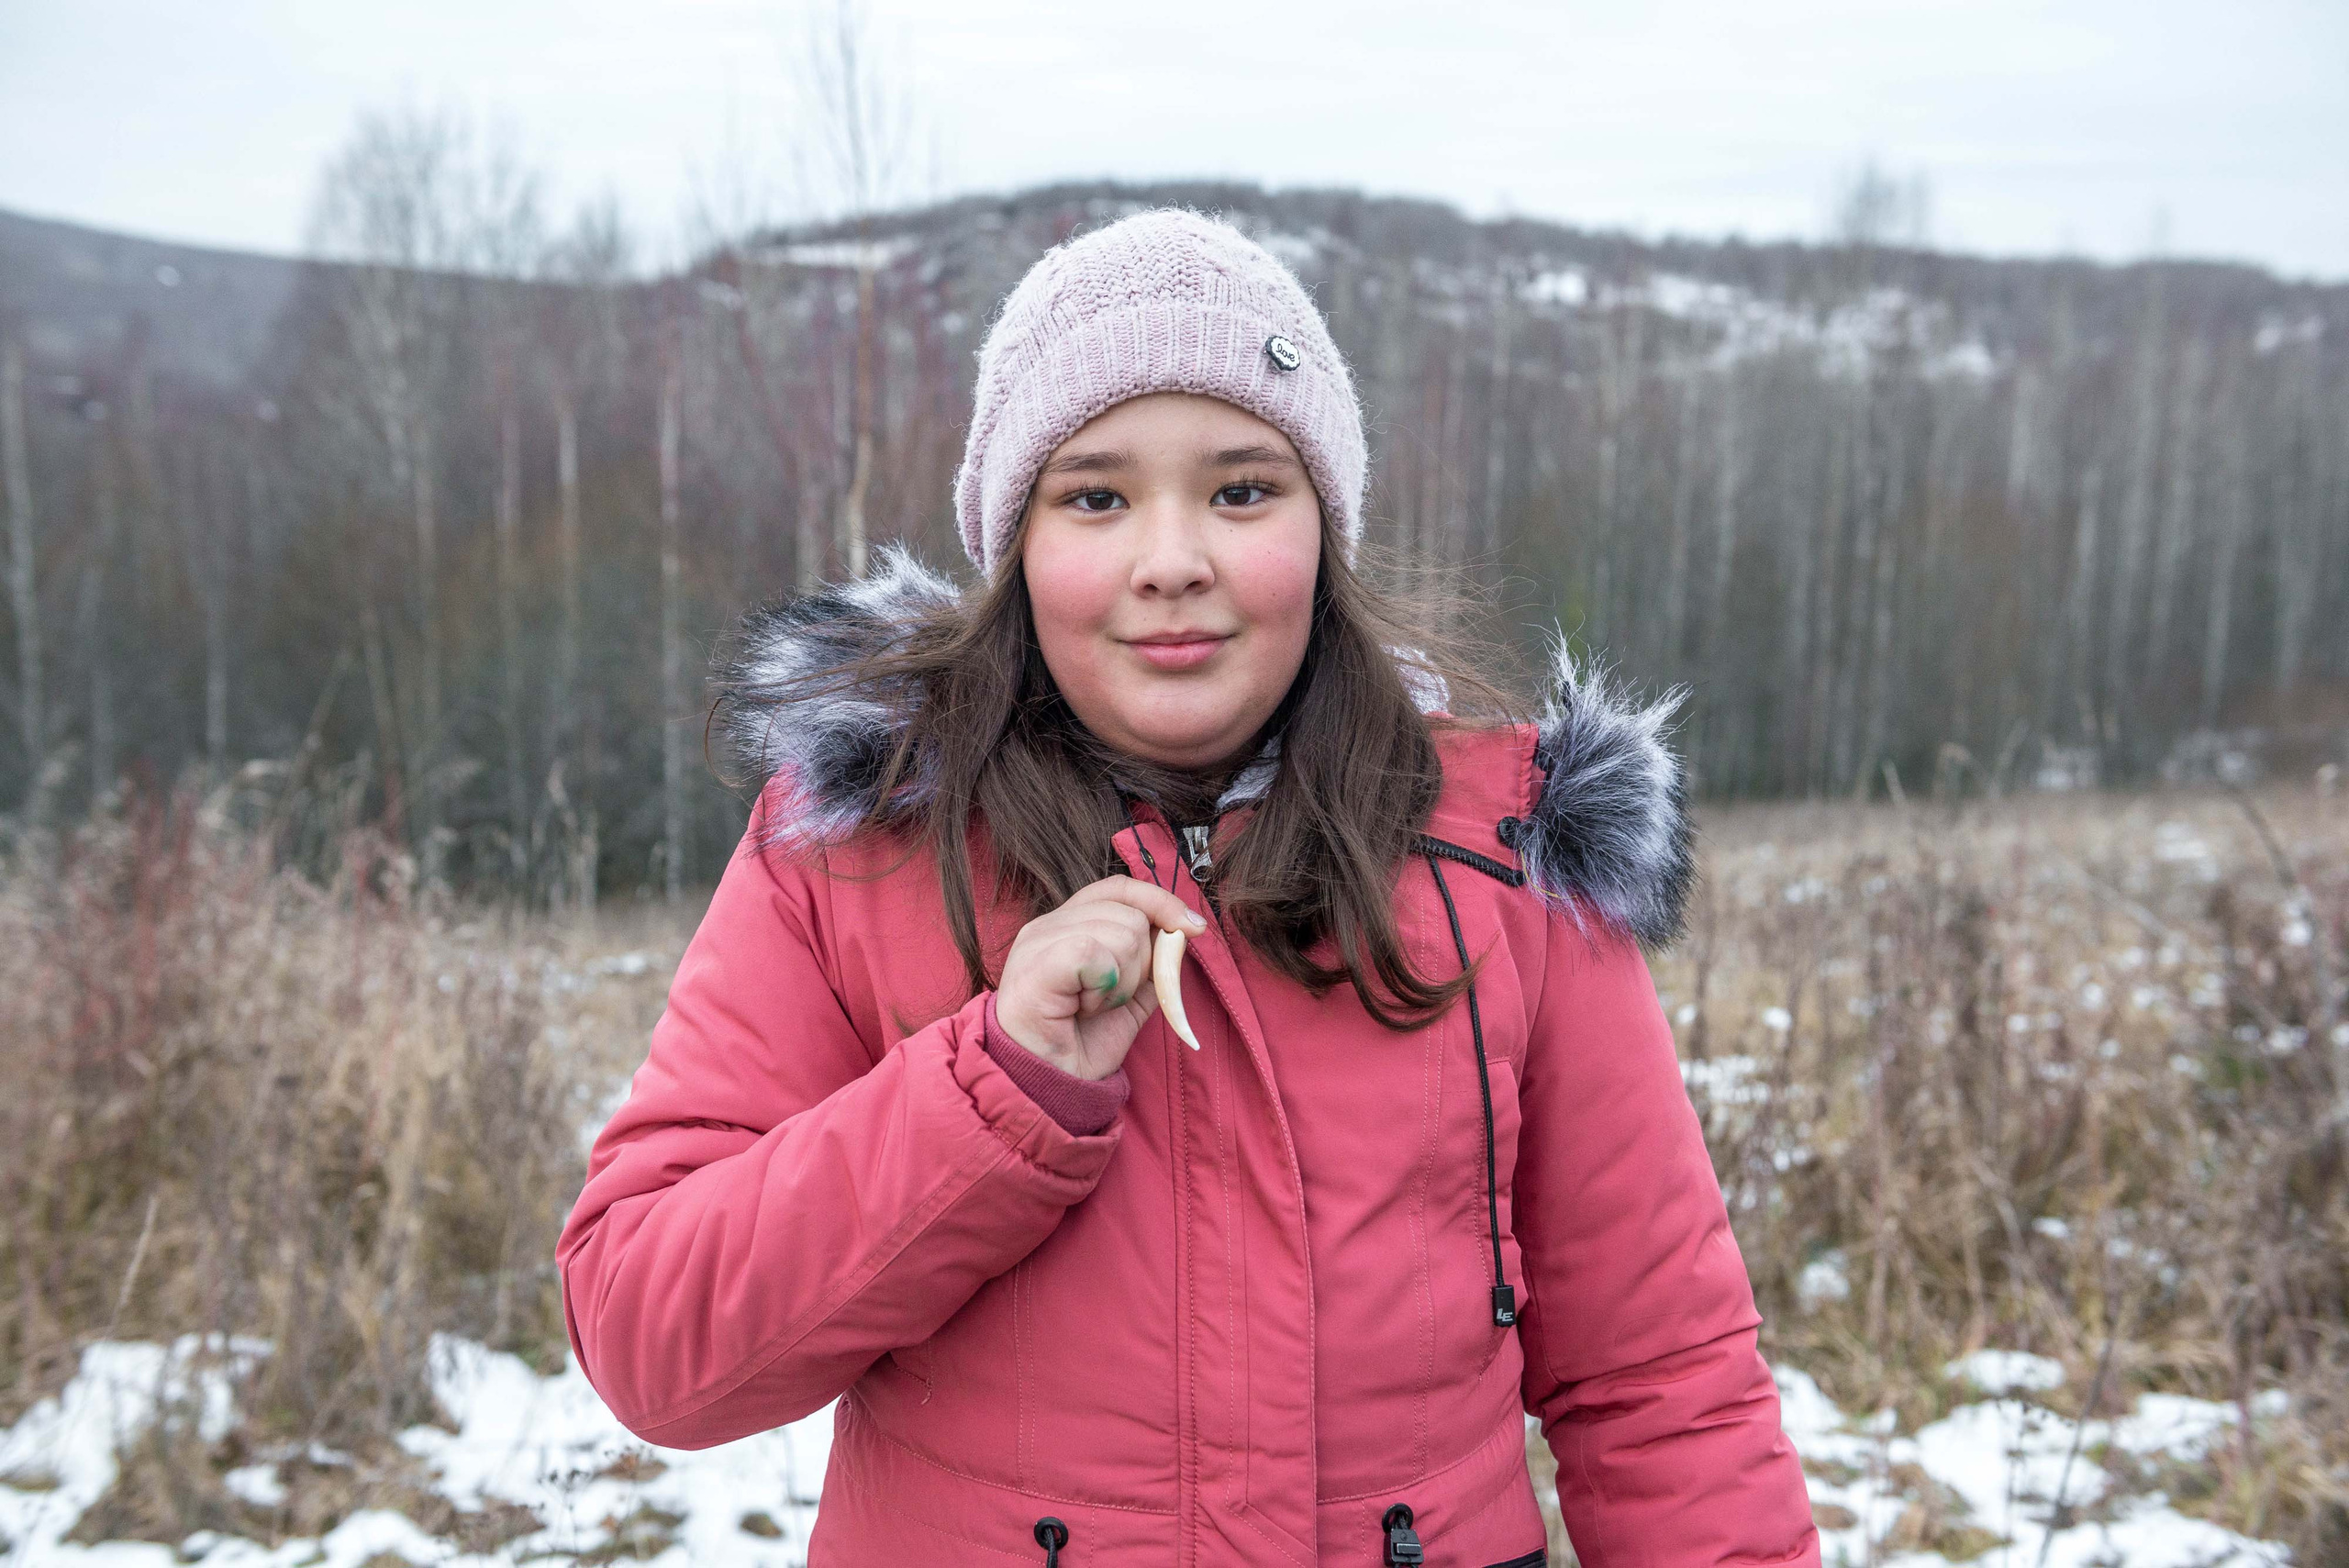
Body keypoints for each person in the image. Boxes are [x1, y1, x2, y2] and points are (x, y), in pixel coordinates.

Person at [557, 207, 1819, 1567]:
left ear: (1322, 529)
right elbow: (652, 1339)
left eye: (1241, 489)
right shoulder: (862, 847)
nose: (1174, 560)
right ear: (1018, 544)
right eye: (1096, 495)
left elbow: (1665, 1386)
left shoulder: (1509, 856)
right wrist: (995, 1086)